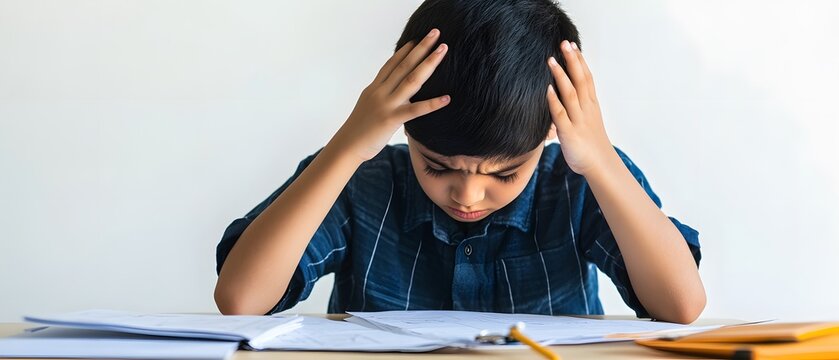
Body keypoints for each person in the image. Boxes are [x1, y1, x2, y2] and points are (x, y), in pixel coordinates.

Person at [214, 0, 706, 324]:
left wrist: (599, 161)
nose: (468, 195)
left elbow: (681, 307)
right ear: (402, 127)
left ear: (552, 134)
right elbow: (241, 301)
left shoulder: (581, 181)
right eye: (437, 166)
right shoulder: (362, 180)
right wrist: (346, 147)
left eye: (505, 173)